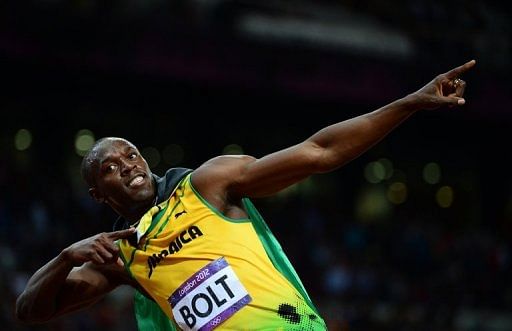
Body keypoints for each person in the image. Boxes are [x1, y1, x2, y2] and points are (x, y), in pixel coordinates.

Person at [15, 59, 476, 330]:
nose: (128, 166)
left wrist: (409, 103)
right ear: (99, 194)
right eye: (111, 168)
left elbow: (319, 151)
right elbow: (32, 311)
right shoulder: (122, 254)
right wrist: (65, 258)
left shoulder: (207, 183)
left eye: (131, 155)